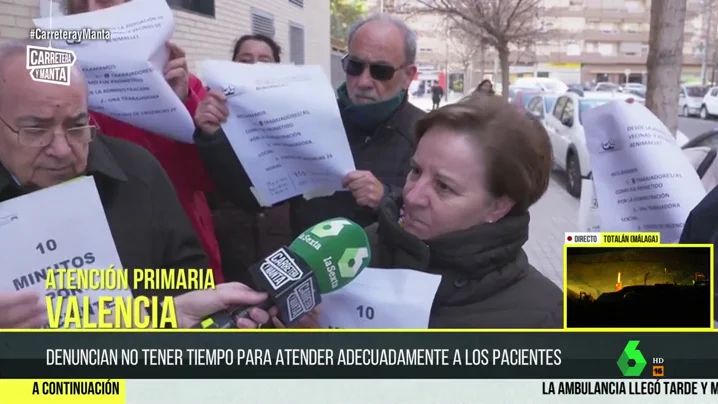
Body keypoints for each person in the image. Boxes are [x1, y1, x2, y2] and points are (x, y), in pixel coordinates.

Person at [0, 40, 209, 326]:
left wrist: (156, 319)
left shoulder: (138, 172)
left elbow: (189, 278)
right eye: (36, 129)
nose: (62, 149)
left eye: (76, 126)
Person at [193, 13, 424, 241]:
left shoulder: (427, 135)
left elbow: (446, 225)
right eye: (354, 66)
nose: (363, 81)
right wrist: (213, 137)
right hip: (309, 268)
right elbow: (256, 196)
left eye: (380, 71)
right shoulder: (309, 118)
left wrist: (386, 198)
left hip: (388, 273)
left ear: (408, 76)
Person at [366, 94, 562, 328]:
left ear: (498, 206)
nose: (412, 196)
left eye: (443, 187)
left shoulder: (544, 318)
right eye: (416, 171)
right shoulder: (356, 253)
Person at [64, 0, 224, 284]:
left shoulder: (184, 84)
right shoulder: (52, 86)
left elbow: (209, 180)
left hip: (178, 253)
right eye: (80, 6)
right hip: (91, 257)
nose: (91, 11)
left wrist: (181, 102)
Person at [210, 34, 292, 286]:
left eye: (264, 60)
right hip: (230, 250)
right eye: (245, 61)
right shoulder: (212, 114)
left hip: (283, 247)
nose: (254, 67)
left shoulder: (294, 114)